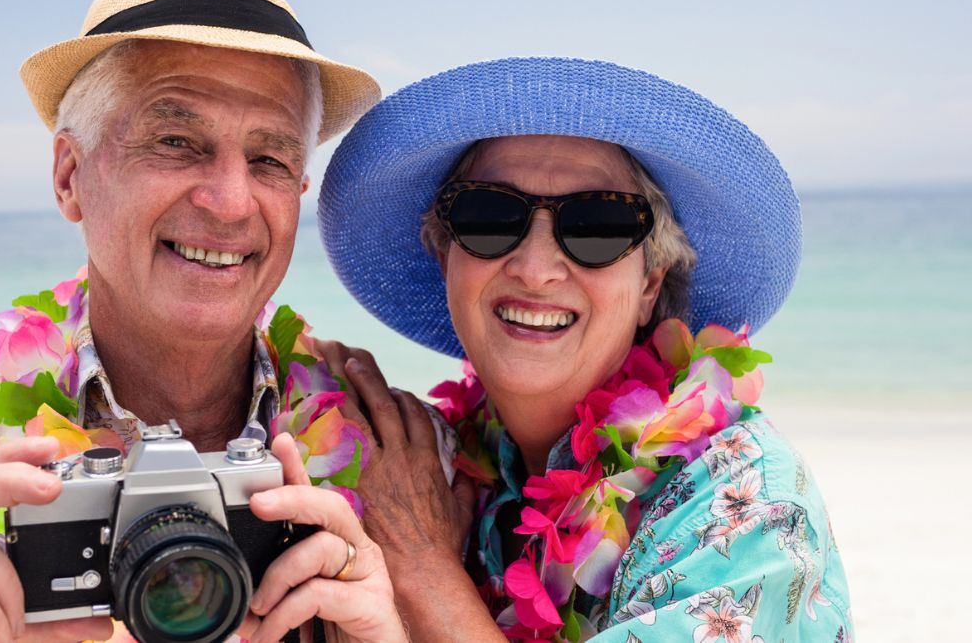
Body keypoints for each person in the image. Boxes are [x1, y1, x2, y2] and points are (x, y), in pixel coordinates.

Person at [0, 0, 405, 642]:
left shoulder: (406, 472)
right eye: (175, 142)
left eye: (270, 157)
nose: (230, 201)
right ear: (70, 177)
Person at [314, 58, 853, 641]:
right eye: (489, 216)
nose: (536, 268)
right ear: (446, 256)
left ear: (650, 282)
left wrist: (422, 565)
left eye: (597, 225)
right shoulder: (437, 470)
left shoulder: (748, 505)